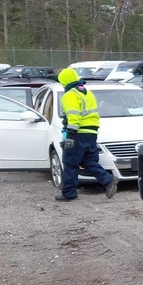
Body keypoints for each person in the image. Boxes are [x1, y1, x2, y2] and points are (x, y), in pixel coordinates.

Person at [54, 67, 119, 201]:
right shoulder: (86, 92)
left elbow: (73, 116)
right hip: (91, 133)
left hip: (78, 132)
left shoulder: (70, 95)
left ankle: (69, 193)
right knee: (88, 161)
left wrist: (70, 136)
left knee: (70, 162)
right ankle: (108, 180)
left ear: (64, 81)